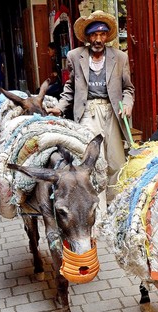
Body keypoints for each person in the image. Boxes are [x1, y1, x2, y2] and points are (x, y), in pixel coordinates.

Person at [47, 10, 134, 201]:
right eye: (94, 34)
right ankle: (97, 209)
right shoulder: (75, 56)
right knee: (93, 161)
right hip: (87, 112)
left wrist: (127, 104)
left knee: (116, 162)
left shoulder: (119, 57)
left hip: (112, 112)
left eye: (102, 34)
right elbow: (70, 86)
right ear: (87, 37)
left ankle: (115, 205)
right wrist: (60, 107)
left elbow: (128, 89)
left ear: (107, 37)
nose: (98, 39)